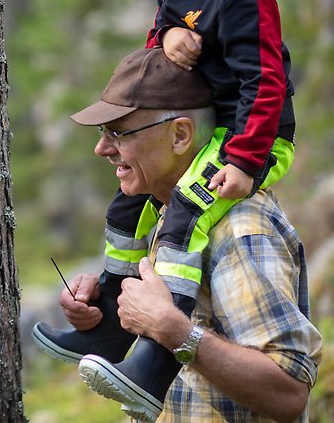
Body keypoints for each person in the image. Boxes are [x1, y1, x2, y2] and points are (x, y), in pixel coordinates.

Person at [32, 0, 298, 406]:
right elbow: (161, 56)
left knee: (186, 210)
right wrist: (170, 34)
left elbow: (265, 85)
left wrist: (245, 160)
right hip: (206, 133)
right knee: (127, 203)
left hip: (252, 139)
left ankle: (154, 361)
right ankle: (110, 323)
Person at [57, 47, 321, 421]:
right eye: (103, 132)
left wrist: (172, 329)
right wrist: (107, 307)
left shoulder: (240, 231)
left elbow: (289, 391)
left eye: (118, 132)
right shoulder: (168, 215)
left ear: (181, 135)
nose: (102, 148)